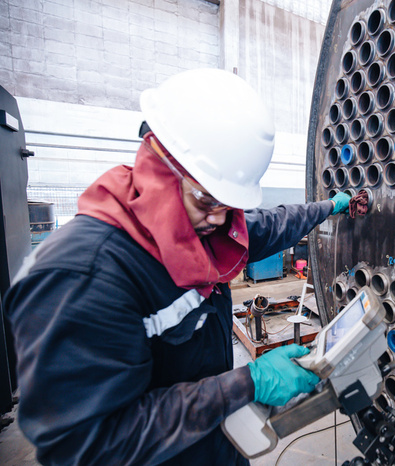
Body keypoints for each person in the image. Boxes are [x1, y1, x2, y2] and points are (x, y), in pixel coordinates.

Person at [4, 68, 352, 465]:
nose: (220, 219)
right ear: (159, 162)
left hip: (216, 442)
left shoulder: (201, 226)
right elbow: (88, 444)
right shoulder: (81, 277)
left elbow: (273, 224)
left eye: (228, 203)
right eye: (207, 198)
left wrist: (329, 207)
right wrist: (244, 384)